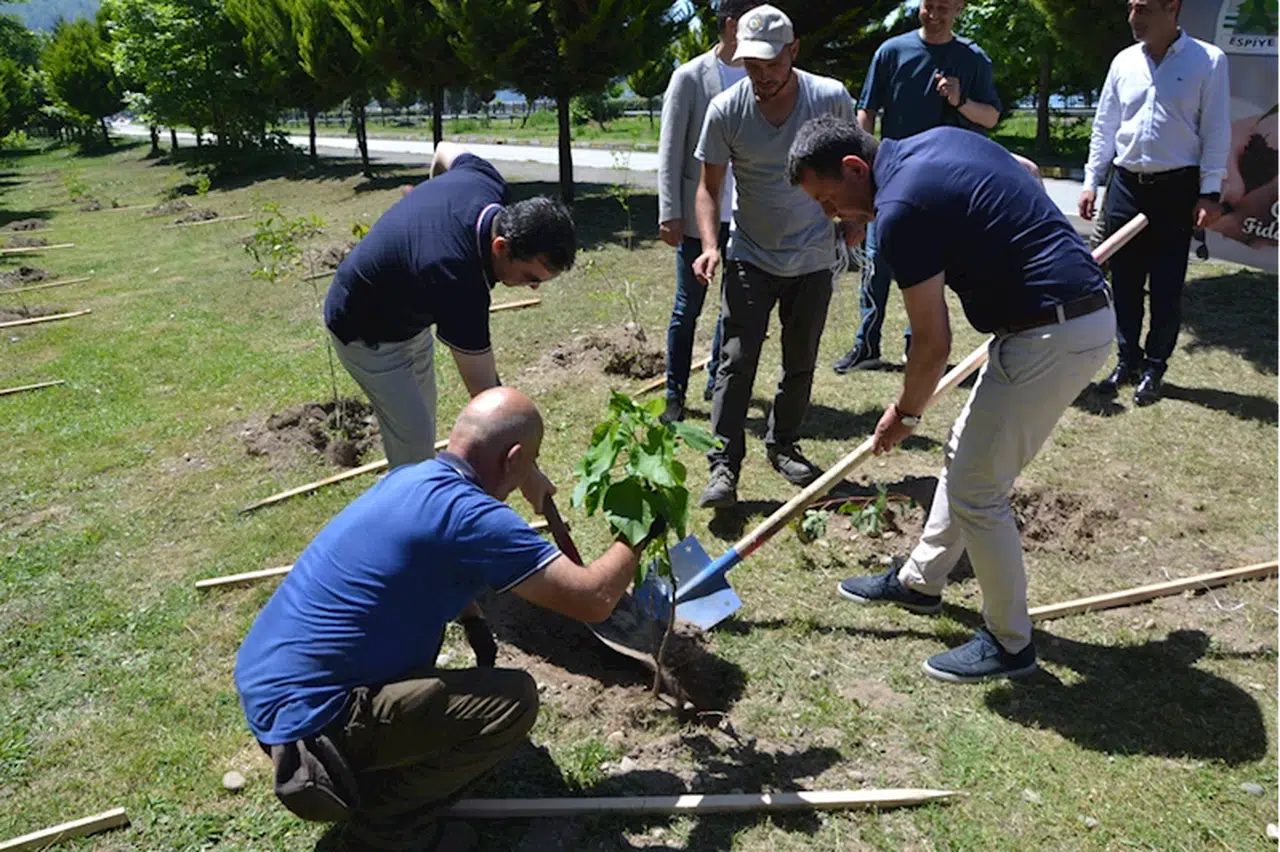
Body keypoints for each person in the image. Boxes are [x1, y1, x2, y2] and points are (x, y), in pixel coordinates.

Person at [235, 388, 658, 851]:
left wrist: (474, 619)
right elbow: (594, 598)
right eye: (529, 462)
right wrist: (638, 529)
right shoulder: (477, 520)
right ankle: (386, 828)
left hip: (268, 682)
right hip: (312, 728)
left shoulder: (410, 479)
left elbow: (433, 562)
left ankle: (375, 765)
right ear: (513, 457)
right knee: (512, 701)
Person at [788, 116, 1116, 683]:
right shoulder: (934, 140)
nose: (830, 214)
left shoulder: (901, 212)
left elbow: (933, 344)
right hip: (1062, 316)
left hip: (1050, 332)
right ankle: (920, 582)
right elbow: (1027, 173)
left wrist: (906, 413)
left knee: (977, 490)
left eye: (827, 198)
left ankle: (1010, 643)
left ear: (853, 168)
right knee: (966, 455)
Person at [324, 142, 576, 507]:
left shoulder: (486, 181)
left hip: (409, 320)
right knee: (413, 444)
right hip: (364, 330)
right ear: (501, 247)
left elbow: (445, 150)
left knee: (421, 430)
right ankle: (410, 531)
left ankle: (418, 508)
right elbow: (486, 393)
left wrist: (429, 197)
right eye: (529, 275)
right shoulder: (456, 277)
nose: (534, 286)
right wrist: (528, 476)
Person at [693, 4, 858, 509]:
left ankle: (784, 444)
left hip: (812, 254)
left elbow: (855, 167)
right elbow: (708, 189)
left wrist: (852, 224)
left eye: (771, 63)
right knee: (736, 361)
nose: (762, 76)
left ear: (794, 52)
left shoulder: (830, 98)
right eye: (751, 65)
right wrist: (709, 245)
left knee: (800, 361)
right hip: (751, 255)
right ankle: (723, 466)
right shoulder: (727, 110)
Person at [832, 0, 1001, 375]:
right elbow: (867, 110)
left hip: (944, 183)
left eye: (944, 7)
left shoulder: (972, 58)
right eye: (928, 5)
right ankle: (866, 346)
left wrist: (960, 101)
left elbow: (990, 117)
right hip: (890, 175)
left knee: (929, 267)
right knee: (876, 263)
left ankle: (917, 346)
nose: (934, 14)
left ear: (959, 8)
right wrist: (863, 164)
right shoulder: (892, 52)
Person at [1079, 0, 1229, 406]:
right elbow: (1105, 125)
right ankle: (1127, 361)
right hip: (1126, 185)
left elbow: (1216, 130)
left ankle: (1155, 367)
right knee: (1124, 283)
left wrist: (1210, 192)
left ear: (1171, 8)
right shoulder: (1124, 62)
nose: (1133, 17)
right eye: (1131, 7)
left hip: (1175, 189)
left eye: (1143, 9)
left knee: (1165, 285)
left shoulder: (1208, 60)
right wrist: (1092, 181)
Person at [656, 0, 762, 425]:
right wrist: (669, 211)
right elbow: (669, 147)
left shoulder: (763, 73)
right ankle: (674, 393)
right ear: (732, 24)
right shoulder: (690, 77)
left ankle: (716, 378)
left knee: (732, 307)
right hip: (699, 212)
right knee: (689, 306)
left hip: (747, 213)